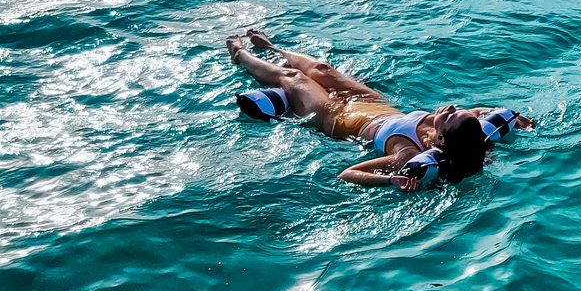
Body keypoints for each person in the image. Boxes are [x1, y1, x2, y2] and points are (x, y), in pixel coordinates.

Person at [227, 30, 531, 189]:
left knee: (293, 78)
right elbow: (477, 115)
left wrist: (390, 179)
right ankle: (272, 48)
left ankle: (239, 54)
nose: (452, 107)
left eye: (449, 115)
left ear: (439, 140)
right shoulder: (463, 134)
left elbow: (348, 174)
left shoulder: (408, 153)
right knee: (322, 68)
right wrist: (515, 119)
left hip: (336, 118)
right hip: (373, 105)